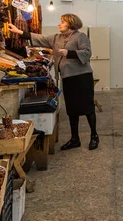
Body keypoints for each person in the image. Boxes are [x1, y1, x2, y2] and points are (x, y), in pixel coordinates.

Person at [8, 14, 99, 151]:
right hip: (67, 77)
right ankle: (75, 139)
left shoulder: (80, 37)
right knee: (71, 109)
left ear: (71, 23)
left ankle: (94, 136)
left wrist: (69, 53)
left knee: (87, 107)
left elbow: (87, 53)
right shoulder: (56, 38)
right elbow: (39, 38)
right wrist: (18, 31)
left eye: (62, 22)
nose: (59, 24)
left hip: (82, 77)